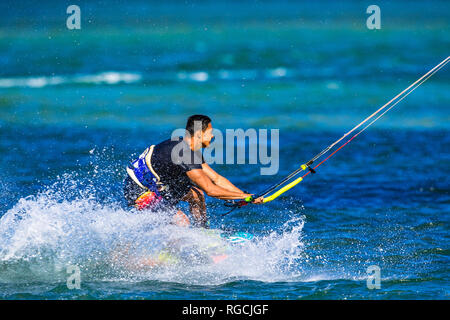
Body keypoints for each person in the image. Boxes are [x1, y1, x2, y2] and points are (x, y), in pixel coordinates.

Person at [124, 115, 262, 227]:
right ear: (199, 134)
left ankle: (202, 232)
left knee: (197, 195)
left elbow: (216, 179)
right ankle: (171, 251)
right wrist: (244, 197)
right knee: (182, 222)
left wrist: (245, 194)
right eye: (210, 133)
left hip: (156, 186)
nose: (213, 136)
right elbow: (212, 190)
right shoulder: (184, 153)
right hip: (138, 191)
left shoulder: (188, 150)